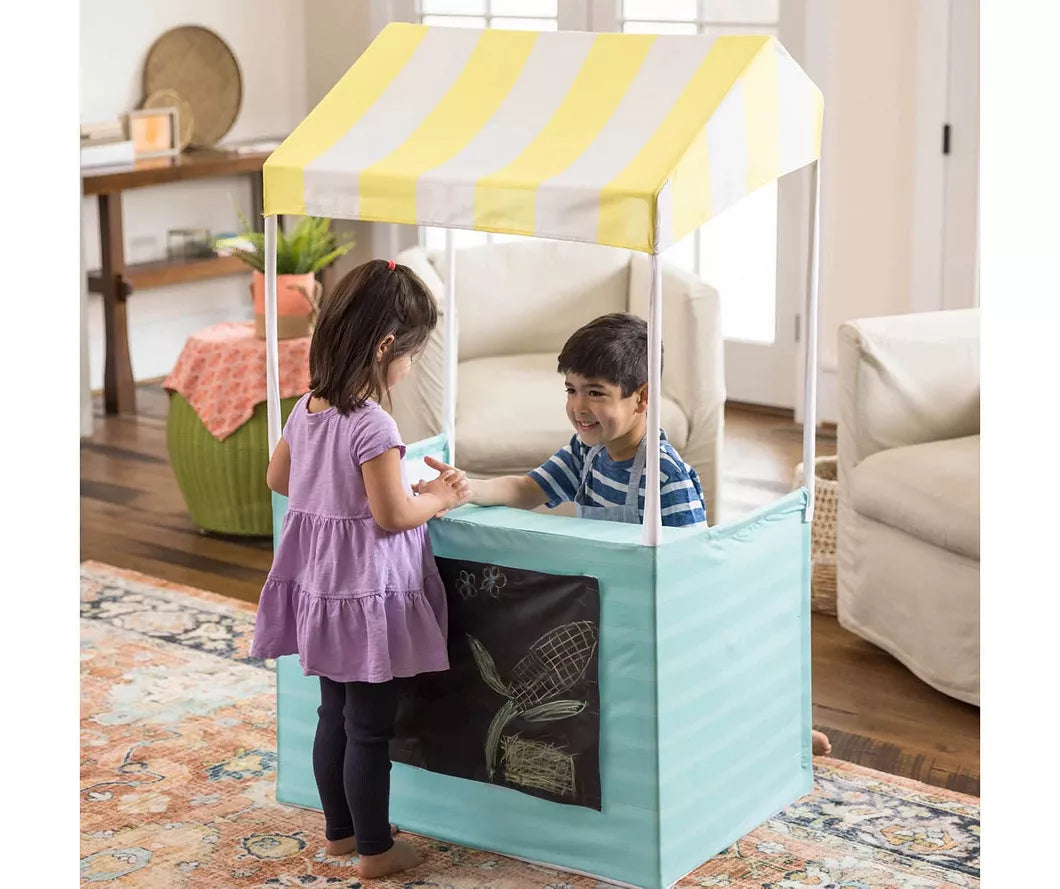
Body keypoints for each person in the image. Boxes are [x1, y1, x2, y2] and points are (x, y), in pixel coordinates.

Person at [418, 312, 832, 757]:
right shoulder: (586, 451)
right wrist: (465, 489)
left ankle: (780, 726)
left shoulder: (666, 476)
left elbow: (695, 567)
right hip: (605, 601)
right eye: (572, 390)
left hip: (665, 608)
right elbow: (527, 487)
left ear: (642, 398)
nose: (579, 406)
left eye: (596, 393)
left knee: (712, 679)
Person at [251, 259, 471, 879]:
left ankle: (342, 834)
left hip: (322, 590)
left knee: (333, 716)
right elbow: (395, 514)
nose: (410, 367)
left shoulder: (310, 406)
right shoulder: (374, 424)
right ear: (384, 348)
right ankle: (377, 850)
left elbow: (278, 479)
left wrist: (332, 492)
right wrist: (444, 497)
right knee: (371, 729)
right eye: (411, 356)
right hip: (365, 595)